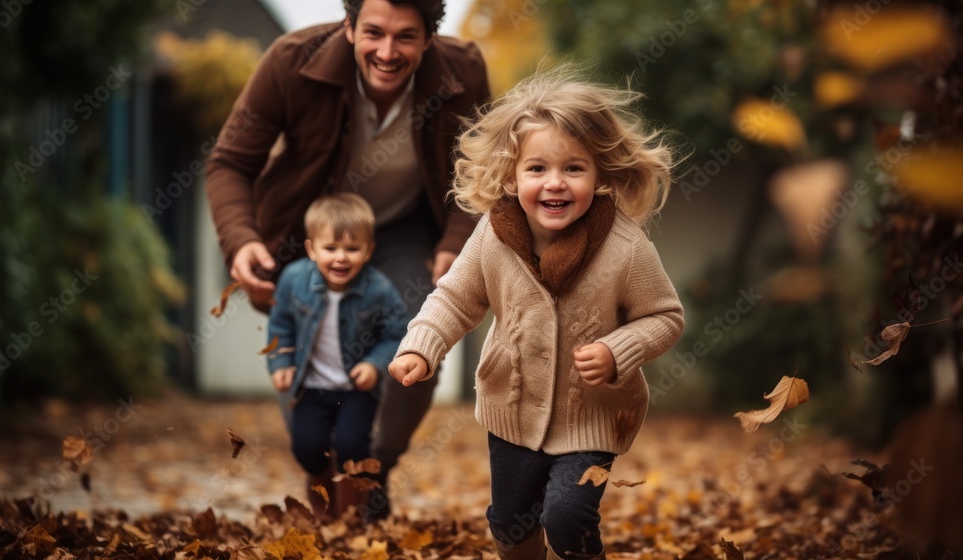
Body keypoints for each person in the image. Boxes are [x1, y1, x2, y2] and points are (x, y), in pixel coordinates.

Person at [204, 0, 491, 520]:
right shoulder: (291, 62)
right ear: (348, 26)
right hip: (314, 230)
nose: (387, 51)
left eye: (406, 36)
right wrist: (242, 239)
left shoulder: (464, 71)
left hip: (408, 229)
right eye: (373, 33)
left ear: (429, 38)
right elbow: (229, 162)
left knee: (420, 333)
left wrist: (454, 245)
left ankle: (374, 468)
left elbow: (484, 176)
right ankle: (321, 469)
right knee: (308, 351)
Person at [388, 70, 686, 560]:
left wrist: (618, 351)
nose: (555, 183)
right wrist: (421, 344)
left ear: (600, 175)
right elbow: (455, 297)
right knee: (510, 524)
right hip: (512, 408)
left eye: (574, 168)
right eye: (537, 169)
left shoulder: (625, 247)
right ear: (511, 176)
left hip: (593, 415)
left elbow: (665, 316)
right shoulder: (492, 235)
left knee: (568, 516)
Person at [267, 193, 407, 520]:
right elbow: (280, 325)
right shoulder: (294, 281)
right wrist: (280, 361)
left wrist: (374, 364)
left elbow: (396, 333)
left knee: (352, 447)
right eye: (330, 248)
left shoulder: (378, 288)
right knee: (307, 448)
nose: (340, 258)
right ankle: (323, 504)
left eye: (352, 249)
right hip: (311, 387)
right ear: (311, 249)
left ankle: (349, 518)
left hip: (355, 390)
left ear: (369, 250)